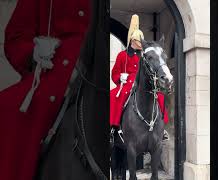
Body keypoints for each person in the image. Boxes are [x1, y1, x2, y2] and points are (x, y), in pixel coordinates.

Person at [0, 0, 91, 179]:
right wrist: (33, 51)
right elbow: (16, 37)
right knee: (5, 109)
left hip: (93, 69)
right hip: (53, 73)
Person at [110, 14, 170, 141]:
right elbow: (114, 73)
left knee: (159, 95)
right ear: (132, 41)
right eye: (139, 41)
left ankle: (162, 128)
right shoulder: (122, 55)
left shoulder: (143, 56)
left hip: (142, 82)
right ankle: (114, 126)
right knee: (114, 95)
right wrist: (120, 76)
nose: (141, 44)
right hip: (127, 83)